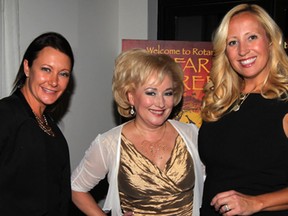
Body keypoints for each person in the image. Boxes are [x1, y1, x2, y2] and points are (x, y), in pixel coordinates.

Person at [71, 48, 204, 216]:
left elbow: (214, 180)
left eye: (167, 93)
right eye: (151, 92)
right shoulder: (109, 143)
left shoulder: (191, 135)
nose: (160, 102)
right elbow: (76, 188)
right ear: (131, 97)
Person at [198, 3, 288, 216]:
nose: (242, 50)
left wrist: (257, 203)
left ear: (271, 40)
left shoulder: (284, 103)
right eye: (232, 42)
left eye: (252, 37)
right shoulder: (219, 102)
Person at [0, 32, 74, 215]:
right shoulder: (6, 115)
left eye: (63, 74)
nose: (54, 81)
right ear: (27, 67)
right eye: (46, 69)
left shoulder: (53, 130)